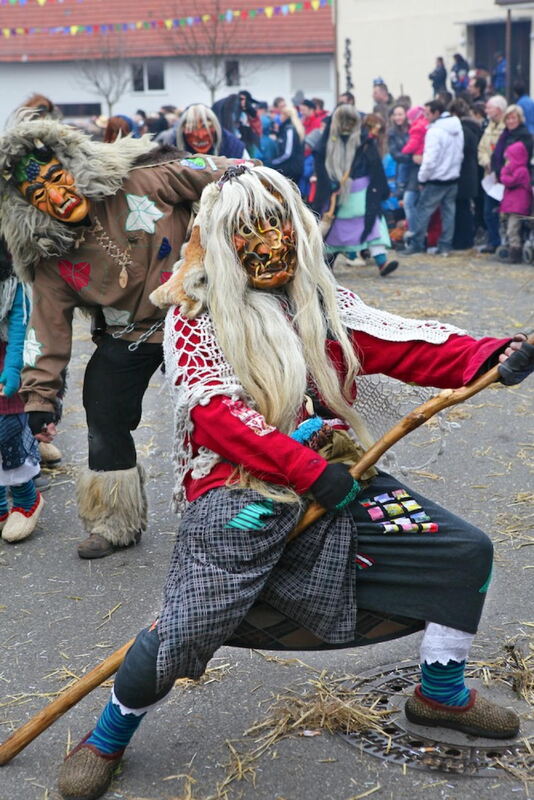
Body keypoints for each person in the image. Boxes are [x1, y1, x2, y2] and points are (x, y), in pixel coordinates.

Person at [56, 163, 533, 800]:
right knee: (184, 624)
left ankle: (439, 694)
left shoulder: (322, 302)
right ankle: (111, 734)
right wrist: (305, 468)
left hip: (336, 474)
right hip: (238, 492)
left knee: (463, 551)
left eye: (279, 224)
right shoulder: (194, 313)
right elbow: (214, 413)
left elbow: (410, 346)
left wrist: (489, 355)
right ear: (224, 240)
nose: (270, 243)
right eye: (251, 230)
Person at [0, 115, 231, 559]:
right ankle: (114, 520)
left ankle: (245, 501)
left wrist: (249, 182)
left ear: (71, 166)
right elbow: (45, 330)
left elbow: (226, 172)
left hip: (201, 317)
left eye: (54, 178)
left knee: (224, 409)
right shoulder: (51, 257)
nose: (55, 196)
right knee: (102, 408)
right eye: (36, 193)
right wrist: (38, 398)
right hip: (129, 335)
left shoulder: (140, 181)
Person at [314, 105, 398, 276]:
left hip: (361, 191)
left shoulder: (364, 140)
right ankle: (325, 265)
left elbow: (375, 165)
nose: (346, 126)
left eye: (350, 122)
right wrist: (329, 184)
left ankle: (382, 261)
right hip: (336, 193)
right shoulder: (328, 141)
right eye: (343, 122)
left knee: (372, 223)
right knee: (334, 227)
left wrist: (381, 189)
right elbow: (320, 163)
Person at [0, 236, 42, 542]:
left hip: (4, 366)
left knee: (8, 434)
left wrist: (13, 369)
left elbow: (18, 324)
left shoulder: (11, 284)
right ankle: (2, 505)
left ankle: (27, 500)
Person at [405, 100, 464, 256]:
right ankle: (445, 245)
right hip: (452, 177)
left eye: (428, 113)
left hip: (436, 179)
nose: (425, 116)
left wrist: (422, 178)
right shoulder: (457, 127)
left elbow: (430, 160)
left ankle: (416, 244)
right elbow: (459, 153)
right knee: (448, 213)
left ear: (437, 113)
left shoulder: (434, 131)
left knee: (423, 211)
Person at [450, 99, 482, 250]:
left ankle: (462, 241)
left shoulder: (461, 131)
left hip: (462, 175)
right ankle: (466, 239)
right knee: (465, 208)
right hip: (472, 174)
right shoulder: (475, 128)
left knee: (461, 209)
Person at [159, 104, 248, 159]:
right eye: (192, 128)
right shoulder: (173, 153)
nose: (200, 136)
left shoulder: (234, 148)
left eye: (205, 127)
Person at [477, 95, 507, 253]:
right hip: (489, 177)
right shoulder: (488, 127)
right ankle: (494, 240)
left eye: (489, 107)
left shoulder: (507, 127)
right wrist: (486, 161)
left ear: (499, 109)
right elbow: (481, 148)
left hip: (505, 176)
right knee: (488, 211)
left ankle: (505, 241)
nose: (486, 110)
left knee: (505, 212)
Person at [499, 141, 533, 263]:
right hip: (513, 205)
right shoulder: (517, 170)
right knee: (509, 227)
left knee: (512, 229)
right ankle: (513, 247)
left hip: (518, 207)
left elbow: (510, 181)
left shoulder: (521, 171)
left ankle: (515, 251)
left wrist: (503, 172)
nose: (507, 162)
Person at [400, 106, 429, 235]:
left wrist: (404, 151)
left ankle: (414, 232)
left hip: (417, 167)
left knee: (409, 202)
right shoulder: (427, 125)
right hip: (420, 165)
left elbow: (412, 144)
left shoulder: (417, 128)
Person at [491, 105, 533, 181]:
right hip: (501, 177)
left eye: (513, 118)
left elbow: (523, 160)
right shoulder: (505, 134)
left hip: (515, 178)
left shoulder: (525, 136)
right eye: (508, 118)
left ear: (519, 119)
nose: (510, 121)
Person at [270, 105, 305, 184]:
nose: (280, 117)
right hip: (294, 167)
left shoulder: (289, 129)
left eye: (281, 114)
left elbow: (287, 152)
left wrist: (275, 162)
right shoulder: (293, 127)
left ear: (287, 116)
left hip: (290, 168)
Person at [387, 105, 410, 200]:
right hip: (402, 167)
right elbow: (394, 153)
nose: (397, 117)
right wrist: (411, 157)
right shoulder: (391, 132)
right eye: (395, 115)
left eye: (400, 114)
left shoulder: (411, 129)